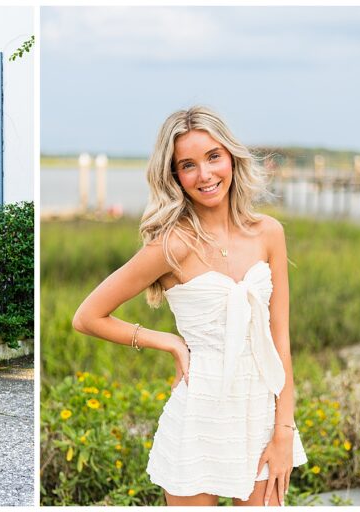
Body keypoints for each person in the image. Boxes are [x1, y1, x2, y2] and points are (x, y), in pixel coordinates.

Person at [72, 107, 307, 506]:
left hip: (260, 415)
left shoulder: (269, 233)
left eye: (213, 156)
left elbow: (280, 343)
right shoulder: (171, 245)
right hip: (197, 416)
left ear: (231, 156)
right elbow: (87, 316)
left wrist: (284, 430)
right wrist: (170, 342)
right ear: (174, 176)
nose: (205, 174)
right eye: (188, 164)